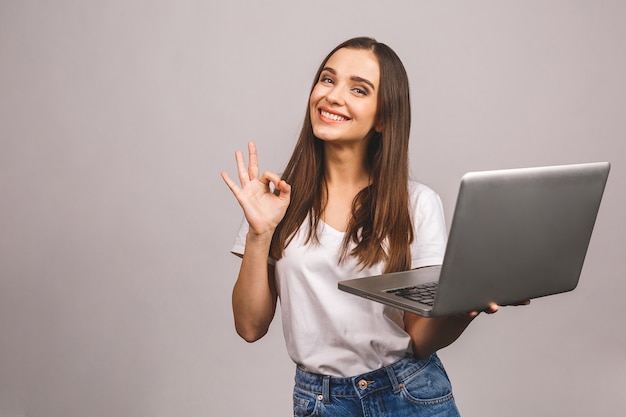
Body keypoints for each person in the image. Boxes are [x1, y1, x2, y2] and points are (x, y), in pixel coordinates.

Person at [221, 36, 522, 417]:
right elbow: (249, 326)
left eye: (358, 89)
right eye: (327, 80)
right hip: (321, 402)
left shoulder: (417, 204)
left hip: (410, 394)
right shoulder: (276, 200)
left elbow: (420, 338)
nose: (332, 96)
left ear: (383, 117)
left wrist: (465, 308)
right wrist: (260, 233)